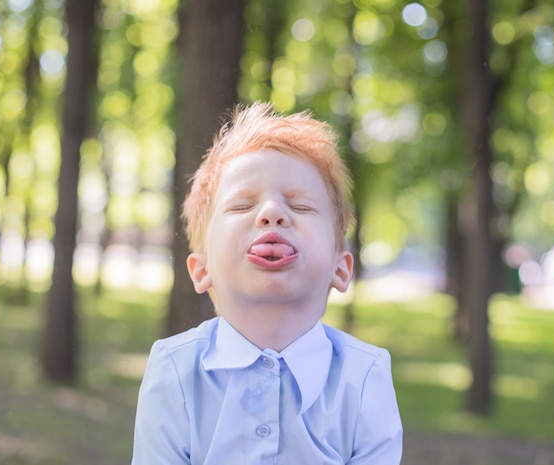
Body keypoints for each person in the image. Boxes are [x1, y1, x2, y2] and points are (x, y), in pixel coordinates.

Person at [131, 102, 403, 465]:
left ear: (341, 267)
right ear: (202, 268)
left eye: (302, 206)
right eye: (242, 205)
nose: (271, 213)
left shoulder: (365, 376)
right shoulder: (174, 370)